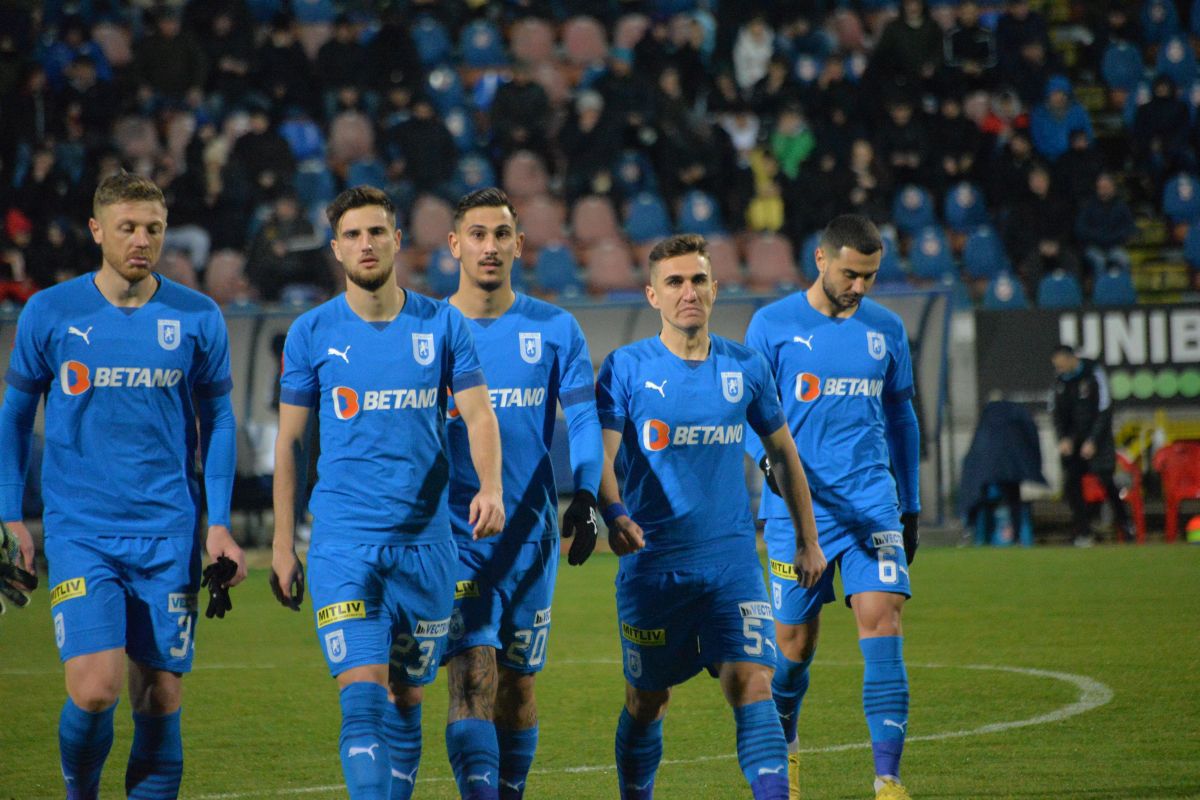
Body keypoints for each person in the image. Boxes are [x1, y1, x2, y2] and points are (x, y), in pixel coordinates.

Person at [0, 171, 247, 799]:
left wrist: (219, 523)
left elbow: (219, 421)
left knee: (159, 697)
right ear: (96, 230)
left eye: (153, 228)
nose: (142, 239)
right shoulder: (50, 312)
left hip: (168, 532)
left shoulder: (197, 316)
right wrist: (10, 514)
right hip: (82, 531)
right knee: (94, 689)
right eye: (128, 227)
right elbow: (15, 417)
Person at [270, 186, 505, 800]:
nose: (366, 244)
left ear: (398, 240)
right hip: (344, 545)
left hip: (428, 547)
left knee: (407, 696)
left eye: (377, 231)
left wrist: (491, 487)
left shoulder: (443, 324)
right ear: (336, 248)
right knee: (362, 697)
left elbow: (479, 415)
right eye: (352, 235)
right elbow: (290, 443)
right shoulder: (311, 332)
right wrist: (282, 544)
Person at [596, 233, 825, 800]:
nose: (688, 292)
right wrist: (613, 512)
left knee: (753, 683)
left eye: (698, 280)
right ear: (653, 295)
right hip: (654, 568)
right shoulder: (625, 368)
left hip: (731, 565)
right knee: (647, 701)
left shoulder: (745, 366)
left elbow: (783, 454)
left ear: (715, 288)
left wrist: (808, 540)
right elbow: (600, 456)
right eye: (674, 282)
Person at [746, 214, 921, 800]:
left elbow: (902, 418)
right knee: (793, 649)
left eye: (870, 275)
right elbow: (746, 413)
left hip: (872, 505)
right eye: (851, 274)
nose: (860, 286)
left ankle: (888, 779)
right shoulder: (772, 325)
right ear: (820, 260)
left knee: (884, 620)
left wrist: (911, 505)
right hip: (799, 513)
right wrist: (765, 463)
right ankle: (787, 753)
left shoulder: (887, 329)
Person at [440, 187, 604, 799]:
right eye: (477, 234)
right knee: (471, 673)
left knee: (518, 685)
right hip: (456, 534)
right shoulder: (428, 328)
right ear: (454, 245)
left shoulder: (555, 328)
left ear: (519, 244)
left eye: (501, 234)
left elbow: (583, 420)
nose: (490, 246)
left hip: (532, 534)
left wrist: (586, 495)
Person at [1049, 345, 1129, 547]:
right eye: (1056, 367)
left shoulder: (1094, 373)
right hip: (1073, 443)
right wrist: (1063, 438)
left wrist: (1093, 440)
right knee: (1071, 484)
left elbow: (1104, 409)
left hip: (1098, 441)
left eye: (1061, 365)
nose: (1059, 370)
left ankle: (1126, 525)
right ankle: (1084, 531)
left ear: (1071, 359)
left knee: (1106, 482)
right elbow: (1056, 413)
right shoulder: (1060, 381)